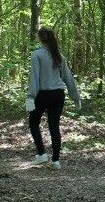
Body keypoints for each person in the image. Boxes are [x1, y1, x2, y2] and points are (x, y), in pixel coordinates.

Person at [27, 27, 81, 170]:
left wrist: (30, 97)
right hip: (58, 94)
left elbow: (34, 77)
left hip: (43, 94)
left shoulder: (36, 55)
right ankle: (56, 160)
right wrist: (76, 97)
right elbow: (68, 78)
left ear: (40, 38)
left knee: (33, 122)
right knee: (54, 126)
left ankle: (42, 154)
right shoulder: (59, 55)